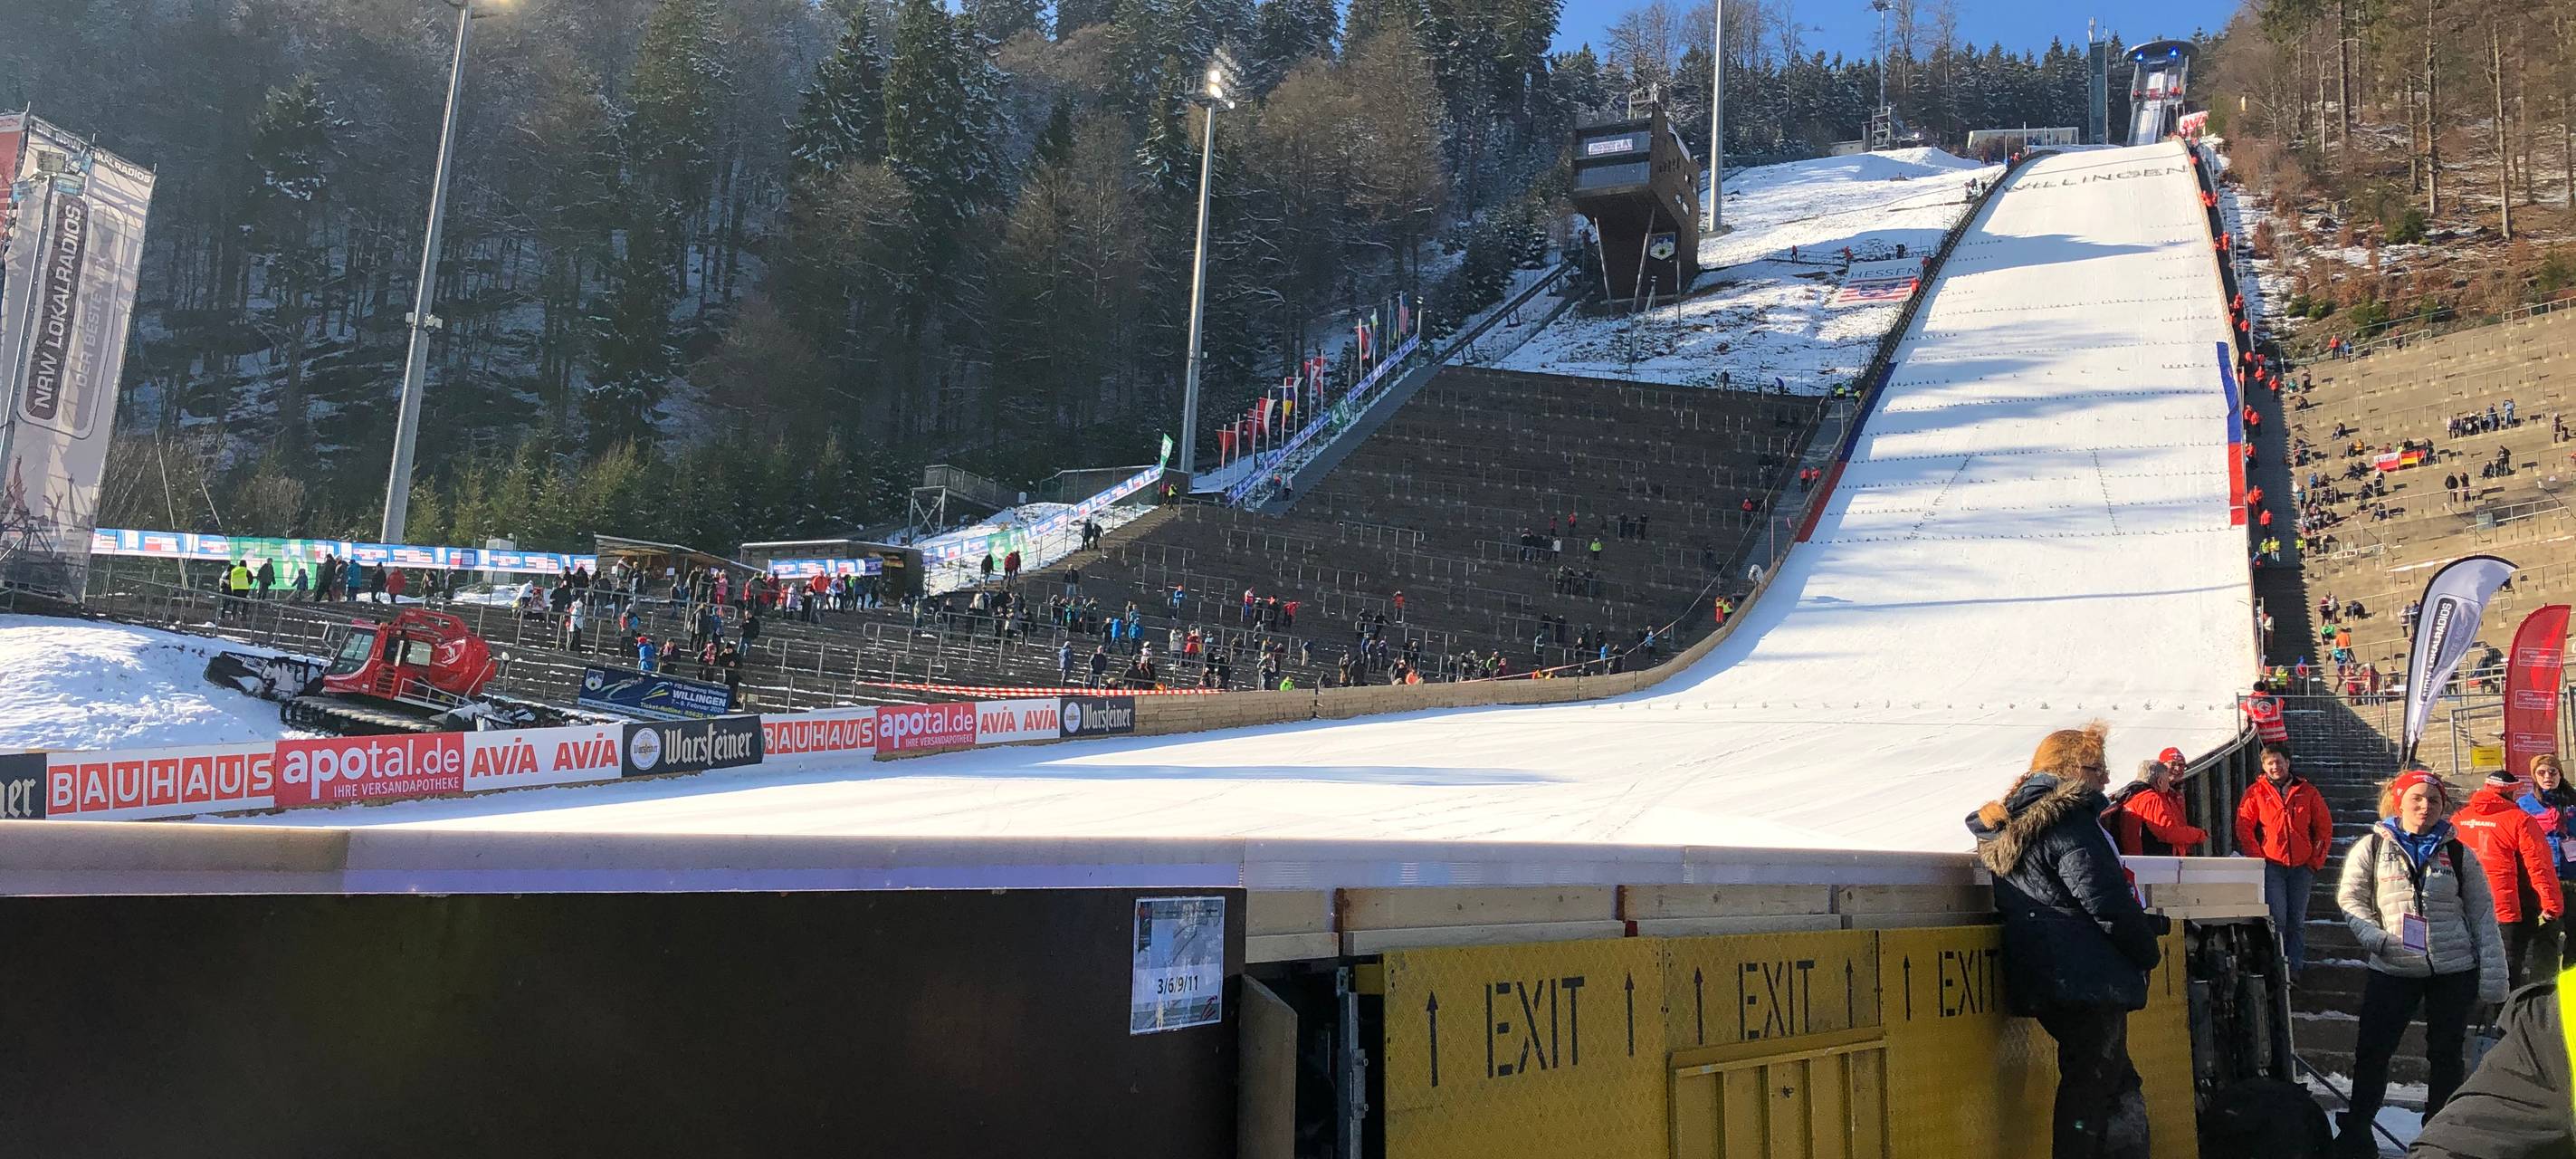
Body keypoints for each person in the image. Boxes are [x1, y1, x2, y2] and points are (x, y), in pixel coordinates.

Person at [1966, 722, 2166, 1159]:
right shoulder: (2069, 822)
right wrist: (2147, 951)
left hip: (2046, 971)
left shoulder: (2012, 822)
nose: (2107, 779)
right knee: (2094, 1088)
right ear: (2071, 771)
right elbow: (2104, 901)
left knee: (2102, 1081)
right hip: (2087, 976)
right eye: (2098, 768)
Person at [2333, 769, 2507, 1156]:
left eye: (2434, 800)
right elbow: (2351, 900)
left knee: (2446, 1056)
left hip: (2452, 969)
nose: (2425, 806)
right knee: (2373, 1051)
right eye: (2417, 798)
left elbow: (2481, 914)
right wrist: (2375, 939)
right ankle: (2357, 1131)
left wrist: (2495, 980)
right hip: (2393, 967)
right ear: (2399, 801)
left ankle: (2439, 1137)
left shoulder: (2459, 852)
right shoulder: (2372, 848)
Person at [2453, 769, 2567, 987]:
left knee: (2465, 970)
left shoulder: (2460, 818)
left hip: (2464, 906)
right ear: (2512, 792)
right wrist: (2552, 906)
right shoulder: (2520, 820)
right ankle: (2506, 1019)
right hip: (2507, 912)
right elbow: (2540, 867)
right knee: (2506, 973)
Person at [2236, 746, 2334, 974]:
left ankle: (2295, 969)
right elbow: (2244, 826)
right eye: (2270, 763)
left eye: (2279, 762)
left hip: (2302, 866)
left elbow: (2324, 827)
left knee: (2296, 922)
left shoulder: (2307, 791)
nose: (2275, 767)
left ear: (2288, 763)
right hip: (2272, 865)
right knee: (2278, 919)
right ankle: (2279, 969)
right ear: (2263, 766)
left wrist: (2315, 861)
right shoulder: (2256, 792)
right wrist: (2257, 858)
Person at [2105, 749, 2209, 857]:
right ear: (2159, 781)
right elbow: (2169, 832)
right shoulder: (2150, 798)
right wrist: (2199, 835)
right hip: (2150, 862)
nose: (2178, 769)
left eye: (2181, 765)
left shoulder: (2137, 794)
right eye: (2166, 780)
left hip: (2137, 859)